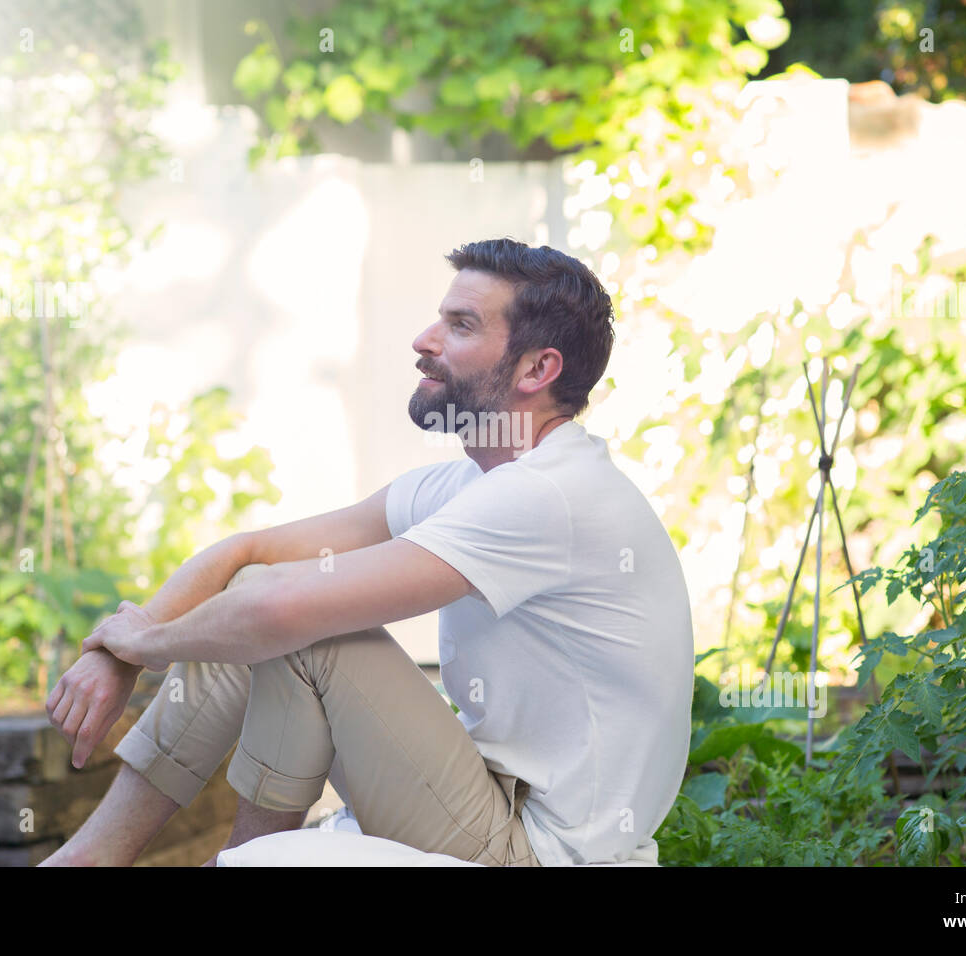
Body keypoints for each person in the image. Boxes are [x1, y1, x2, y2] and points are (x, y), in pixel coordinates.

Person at [40, 237, 694, 867]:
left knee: (300, 623)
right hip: (485, 799)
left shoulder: (548, 496)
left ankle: (225, 861)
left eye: (460, 326)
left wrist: (141, 647)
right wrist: (117, 650)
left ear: (537, 369)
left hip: (541, 849)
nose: (424, 341)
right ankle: (98, 857)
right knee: (276, 600)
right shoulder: (471, 484)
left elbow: (283, 608)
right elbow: (248, 553)